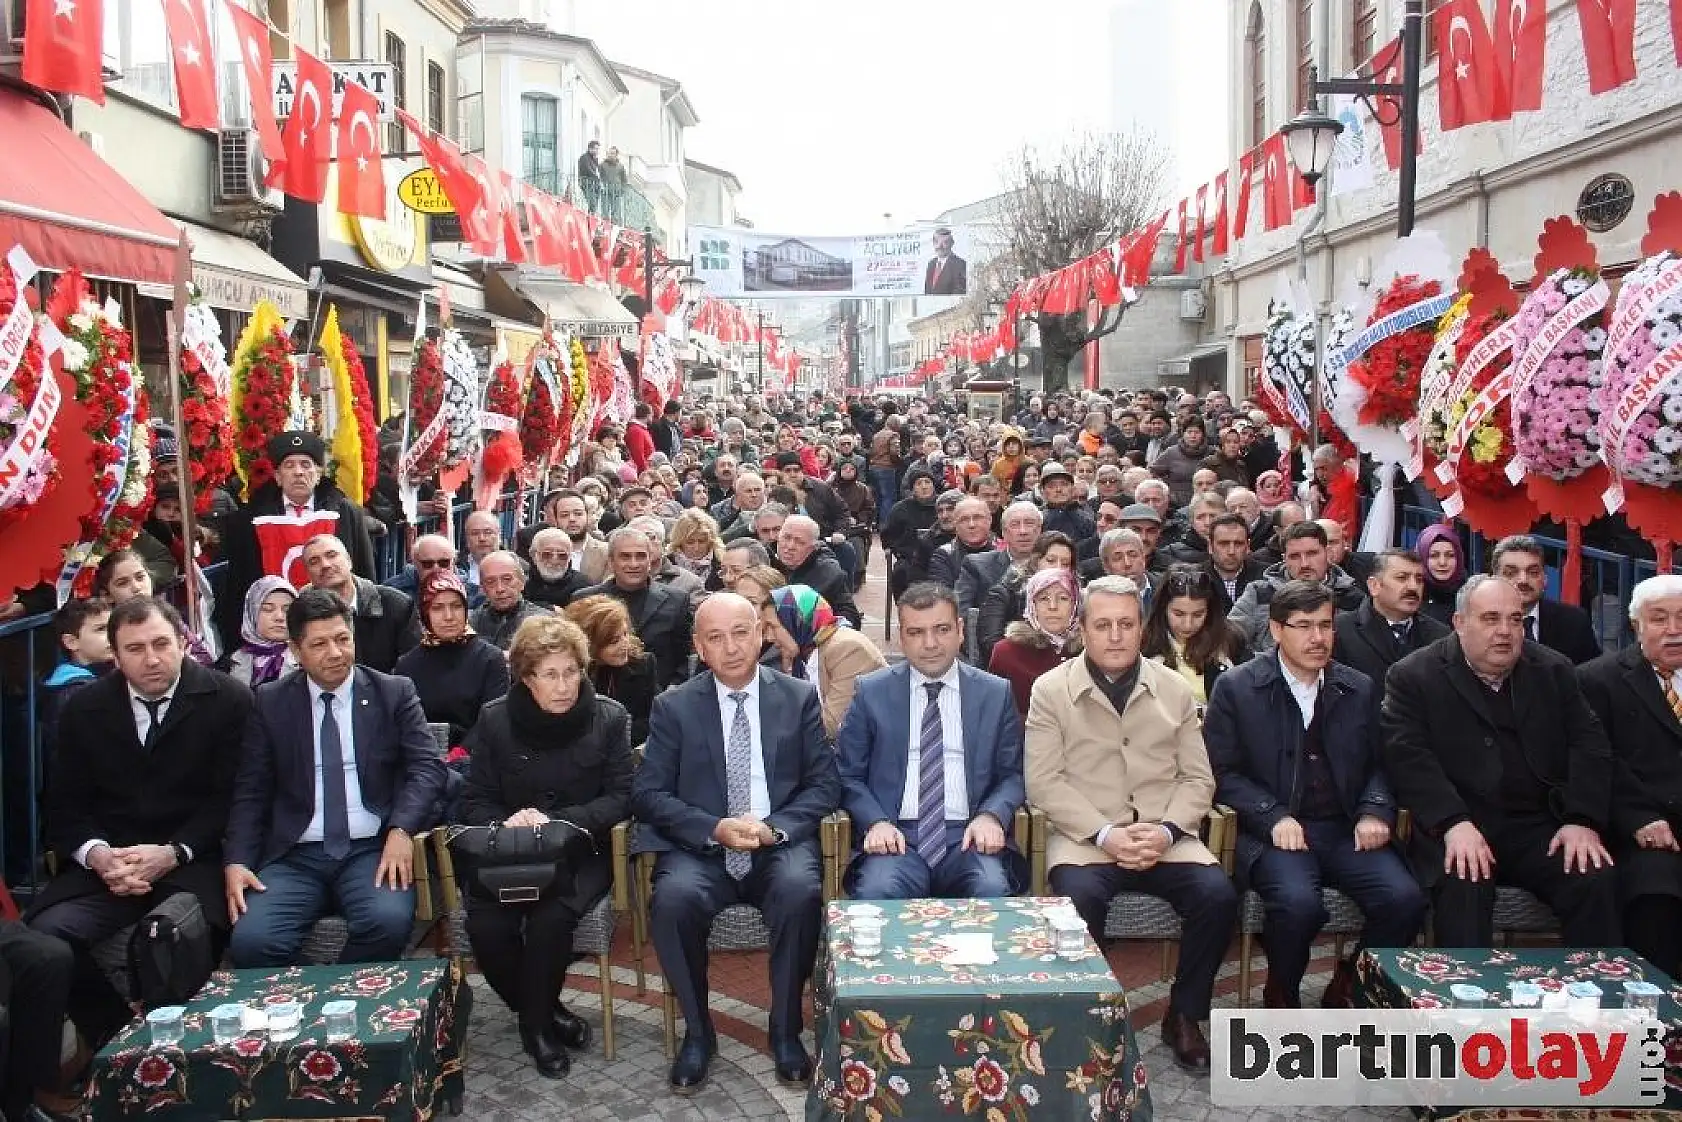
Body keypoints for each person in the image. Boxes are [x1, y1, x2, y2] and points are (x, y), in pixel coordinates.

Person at [1025, 576, 1236, 1072]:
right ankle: (1082, 1015)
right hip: (1087, 839)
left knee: (1218, 895)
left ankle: (1184, 1015)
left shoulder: (1173, 689)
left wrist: (1165, 832)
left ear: (1144, 628)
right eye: (1103, 625)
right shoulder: (1051, 690)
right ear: (1083, 630)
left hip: (1165, 835)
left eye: (1126, 624)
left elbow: (1197, 780)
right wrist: (1105, 833)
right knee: (1079, 899)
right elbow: (1043, 782)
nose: (1115, 635)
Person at [630, 594, 840, 1094]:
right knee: (673, 901)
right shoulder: (673, 706)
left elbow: (824, 784)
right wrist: (712, 827)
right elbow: (647, 793)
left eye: (740, 632)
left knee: (799, 890)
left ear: (761, 633)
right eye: (715, 638)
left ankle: (785, 1030)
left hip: (777, 842)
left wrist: (776, 828)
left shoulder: (797, 696)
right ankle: (699, 1033)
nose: (730, 647)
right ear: (699, 647)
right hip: (704, 847)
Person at [28, 597, 251, 1046]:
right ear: (114, 654)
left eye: (161, 644)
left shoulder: (227, 699)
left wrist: (173, 852)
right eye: (134, 649)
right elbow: (64, 807)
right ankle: (114, 1043)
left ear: (183, 642)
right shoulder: (84, 709)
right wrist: (99, 856)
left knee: (170, 936)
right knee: (45, 939)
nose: (151, 659)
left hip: (193, 861)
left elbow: (231, 799)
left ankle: (180, 1054)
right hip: (110, 869)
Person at [1206, 582, 1425, 1009]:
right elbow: (1221, 773)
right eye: (1303, 626)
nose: (1317, 638)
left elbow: (1382, 763)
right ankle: (1282, 991)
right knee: (1297, 903)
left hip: (1344, 827)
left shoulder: (1357, 687)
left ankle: (1352, 980)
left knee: (1405, 899)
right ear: (1275, 629)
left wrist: (1375, 811)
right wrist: (1271, 816)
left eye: (1325, 625)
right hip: (1275, 830)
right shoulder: (1237, 687)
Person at [1380, 575, 1620, 948]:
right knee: (1464, 879)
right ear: (1460, 624)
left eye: (1515, 619)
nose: (1505, 632)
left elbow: (1591, 746)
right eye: (1490, 619)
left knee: (1593, 873)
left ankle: (1592, 994)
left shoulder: (1554, 669)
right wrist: (1452, 822)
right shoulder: (1414, 675)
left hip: (1539, 825)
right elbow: (1407, 755)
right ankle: (1463, 998)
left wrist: (1581, 819)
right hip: (1461, 823)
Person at [223, 589, 447, 967]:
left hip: (371, 849)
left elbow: (427, 768)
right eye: (320, 644)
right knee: (252, 941)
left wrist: (401, 830)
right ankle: (307, 1004)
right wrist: (238, 860)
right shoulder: (271, 702)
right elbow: (252, 790)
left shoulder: (392, 692)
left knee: (387, 922)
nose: (335, 653)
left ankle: (347, 998)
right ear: (296, 650)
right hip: (295, 854)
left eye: (343, 639)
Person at [460, 613, 632, 1077]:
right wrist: (511, 822)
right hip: (509, 853)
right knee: (487, 928)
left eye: (572, 671)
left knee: (549, 921)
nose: (564, 685)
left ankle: (534, 1030)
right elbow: (474, 800)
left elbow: (620, 798)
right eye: (550, 674)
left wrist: (557, 823)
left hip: (581, 853)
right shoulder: (495, 720)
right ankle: (546, 1010)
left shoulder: (610, 719)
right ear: (526, 678)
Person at [837, 584, 1024, 899]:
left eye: (942, 629)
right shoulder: (871, 692)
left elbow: (1013, 774)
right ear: (901, 637)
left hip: (969, 835)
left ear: (960, 630)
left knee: (991, 888)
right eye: (916, 632)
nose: (930, 644)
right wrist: (875, 822)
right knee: (877, 891)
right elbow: (846, 774)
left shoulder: (995, 693)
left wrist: (992, 815)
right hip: (895, 836)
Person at [1578, 575, 1682, 975]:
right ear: (1637, 625)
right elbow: (1597, 760)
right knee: (1655, 888)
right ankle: (1658, 1012)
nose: (1673, 631)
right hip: (1638, 828)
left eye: (1680, 619)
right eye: (1659, 619)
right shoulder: (1596, 680)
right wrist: (1639, 817)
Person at [218, 430, 375, 652]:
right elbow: (240, 582)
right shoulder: (250, 518)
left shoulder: (345, 511)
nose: (299, 472)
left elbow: (363, 569)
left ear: (319, 473)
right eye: (289, 465)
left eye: (306, 464)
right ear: (278, 476)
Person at [750, 583, 886, 737]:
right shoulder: (806, 651)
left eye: (772, 626)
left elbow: (833, 726)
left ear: (796, 620)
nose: (768, 637)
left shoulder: (846, 648)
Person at [394, 571, 510, 746]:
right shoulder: (407, 665)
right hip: (424, 755)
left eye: (456, 606)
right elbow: (405, 723)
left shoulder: (490, 659)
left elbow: (493, 720)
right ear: (425, 613)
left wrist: (460, 754)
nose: (448, 616)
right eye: (438, 608)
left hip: (477, 756)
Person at [576, 528, 693, 688]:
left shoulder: (677, 600)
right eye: (625, 557)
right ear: (611, 562)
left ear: (650, 560)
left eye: (640, 556)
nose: (634, 564)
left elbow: (685, 657)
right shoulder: (585, 600)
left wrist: (672, 692)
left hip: (657, 700)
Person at [1227, 522, 1363, 655]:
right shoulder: (1259, 593)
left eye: (1312, 553)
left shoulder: (1352, 599)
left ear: (1327, 553)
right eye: (1295, 556)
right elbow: (1230, 640)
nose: (1304, 564)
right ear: (1284, 559)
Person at [301, 534, 421, 673]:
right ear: (308, 575)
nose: (325, 565)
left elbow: (412, 667)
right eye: (314, 561)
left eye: (331, 555)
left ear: (349, 561)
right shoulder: (300, 615)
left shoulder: (397, 606)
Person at [1332, 549, 1449, 688]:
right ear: (1374, 585)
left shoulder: (1440, 636)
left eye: (1419, 579)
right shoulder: (1341, 630)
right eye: (1402, 578)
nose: (1413, 586)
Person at [1140, 566, 1246, 708]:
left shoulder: (1231, 639)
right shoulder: (1143, 644)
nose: (1188, 625)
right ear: (1163, 609)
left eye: (1198, 615)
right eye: (1179, 614)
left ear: (1210, 611)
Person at [1489, 534, 1602, 665]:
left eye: (1533, 572)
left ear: (1545, 579)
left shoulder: (1574, 621)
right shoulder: (1477, 623)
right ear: (1494, 579)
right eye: (1511, 573)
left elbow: (1590, 678)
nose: (1523, 580)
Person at [565, 595, 659, 746]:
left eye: (625, 634)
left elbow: (652, 718)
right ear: (590, 643)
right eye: (614, 641)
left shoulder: (642, 664)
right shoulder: (569, 673)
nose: (625, 645)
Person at [93, 548, 215, 665]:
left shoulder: (166, 615)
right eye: (123, 583)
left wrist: (185, 662)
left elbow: (204, 656)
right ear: (107, 595)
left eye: (140, 577)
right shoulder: (108, 631)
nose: (136, 587)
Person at [988, 567, 1082, 717]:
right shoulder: (1006, 652)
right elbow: (996, 715)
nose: (1053, 606)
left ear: (1076, 605)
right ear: (1032, 605)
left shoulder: (1090, 649)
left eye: (1063, 598)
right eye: (1044, 598)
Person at [976, 532, 1077, 668]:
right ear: (1036, 562)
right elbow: (991, 643)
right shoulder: (1005, 593)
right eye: (1051, 561)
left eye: (1065, 564)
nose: (1058, 568)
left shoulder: (1079, 597)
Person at [40, 596, 112, 766]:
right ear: (71, 642)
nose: (112, 635)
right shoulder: (72, 691)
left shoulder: (100, 676)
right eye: (101, 629)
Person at [773, 515, 861, 628]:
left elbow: (850, 617)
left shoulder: (829, 574)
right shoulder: (765, 560)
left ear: (812, 548)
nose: (790, 546)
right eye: (786, 538)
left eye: (799, 542)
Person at [224, 576, 298, 689]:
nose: (279, 617)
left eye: (287, 610)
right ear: (251, 613)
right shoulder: (229, 664)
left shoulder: (306, 661)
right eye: (268, 609)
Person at [472, 550, 552, 649]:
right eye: (490, 582)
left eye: (507, 579)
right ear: (482, 588)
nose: (499, 588)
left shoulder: (544, 622)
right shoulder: (470, 624)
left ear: (522, 582)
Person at [1204, 513, 1265, 617]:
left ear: (1248, 546)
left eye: (1238, 544)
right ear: (1210, 546)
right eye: (1223, 544)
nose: (1231, 551)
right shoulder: (1197, 578)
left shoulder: (1266, 577)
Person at [525, 530, 591, 610]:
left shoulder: (583, 586)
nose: (554, 561)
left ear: (570, 558)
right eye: (547, 554)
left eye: (562, 556)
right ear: (534, 556)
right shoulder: (522, 582)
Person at [1417, 524, 1467, 626]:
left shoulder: (1470, 594)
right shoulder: (1412, 595)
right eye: (1434, 555)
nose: (1443, 562)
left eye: (1450, 555)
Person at [668, 509, 724, 593]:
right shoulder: (667, 565)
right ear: (679, 541)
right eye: (690, 542)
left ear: (710, 541)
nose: (696, 548)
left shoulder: (723, 564)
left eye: (702, 541)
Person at [923, 226, 967, 295]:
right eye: (937, 242)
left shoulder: (960, 264)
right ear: (933, 244)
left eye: (945, 242)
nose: (940, 246)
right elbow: (927, 291)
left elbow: (959, 293)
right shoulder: (931, 264)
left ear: (952, 243)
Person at [577, 139, 603, 213]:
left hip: (594, 184)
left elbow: (598, 170)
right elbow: (588, 170)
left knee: (594, 205)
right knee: (592, 204)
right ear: (590, 148)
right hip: (587, 183)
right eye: (596, 149)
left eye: (598, 149)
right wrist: (597, 178)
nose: (597, 151)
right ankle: (590, 219)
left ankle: (591, 218)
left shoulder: (594, 159)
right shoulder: (584, 158)